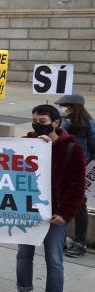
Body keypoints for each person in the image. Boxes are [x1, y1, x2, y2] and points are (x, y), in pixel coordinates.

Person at [6, 104, 87, 292]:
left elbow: (77, 188)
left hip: (55, 215)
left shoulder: (72, 149)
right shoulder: (28, 142)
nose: (37, 125)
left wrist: (65, 214)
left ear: (56, 123)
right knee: (24, 256)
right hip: (28, 212)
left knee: (54, 259)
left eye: (42, 121)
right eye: (34, 120)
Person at [59, 94, 93, 258]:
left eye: (66, 107)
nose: (64, 110)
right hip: (62, 168)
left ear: (73, 108)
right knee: (61, 202)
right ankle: (61, 239)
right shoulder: (63, 123)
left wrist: (87, 169)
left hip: (80, 170)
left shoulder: (89, 126)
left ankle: (80, 242)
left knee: (79, 206)